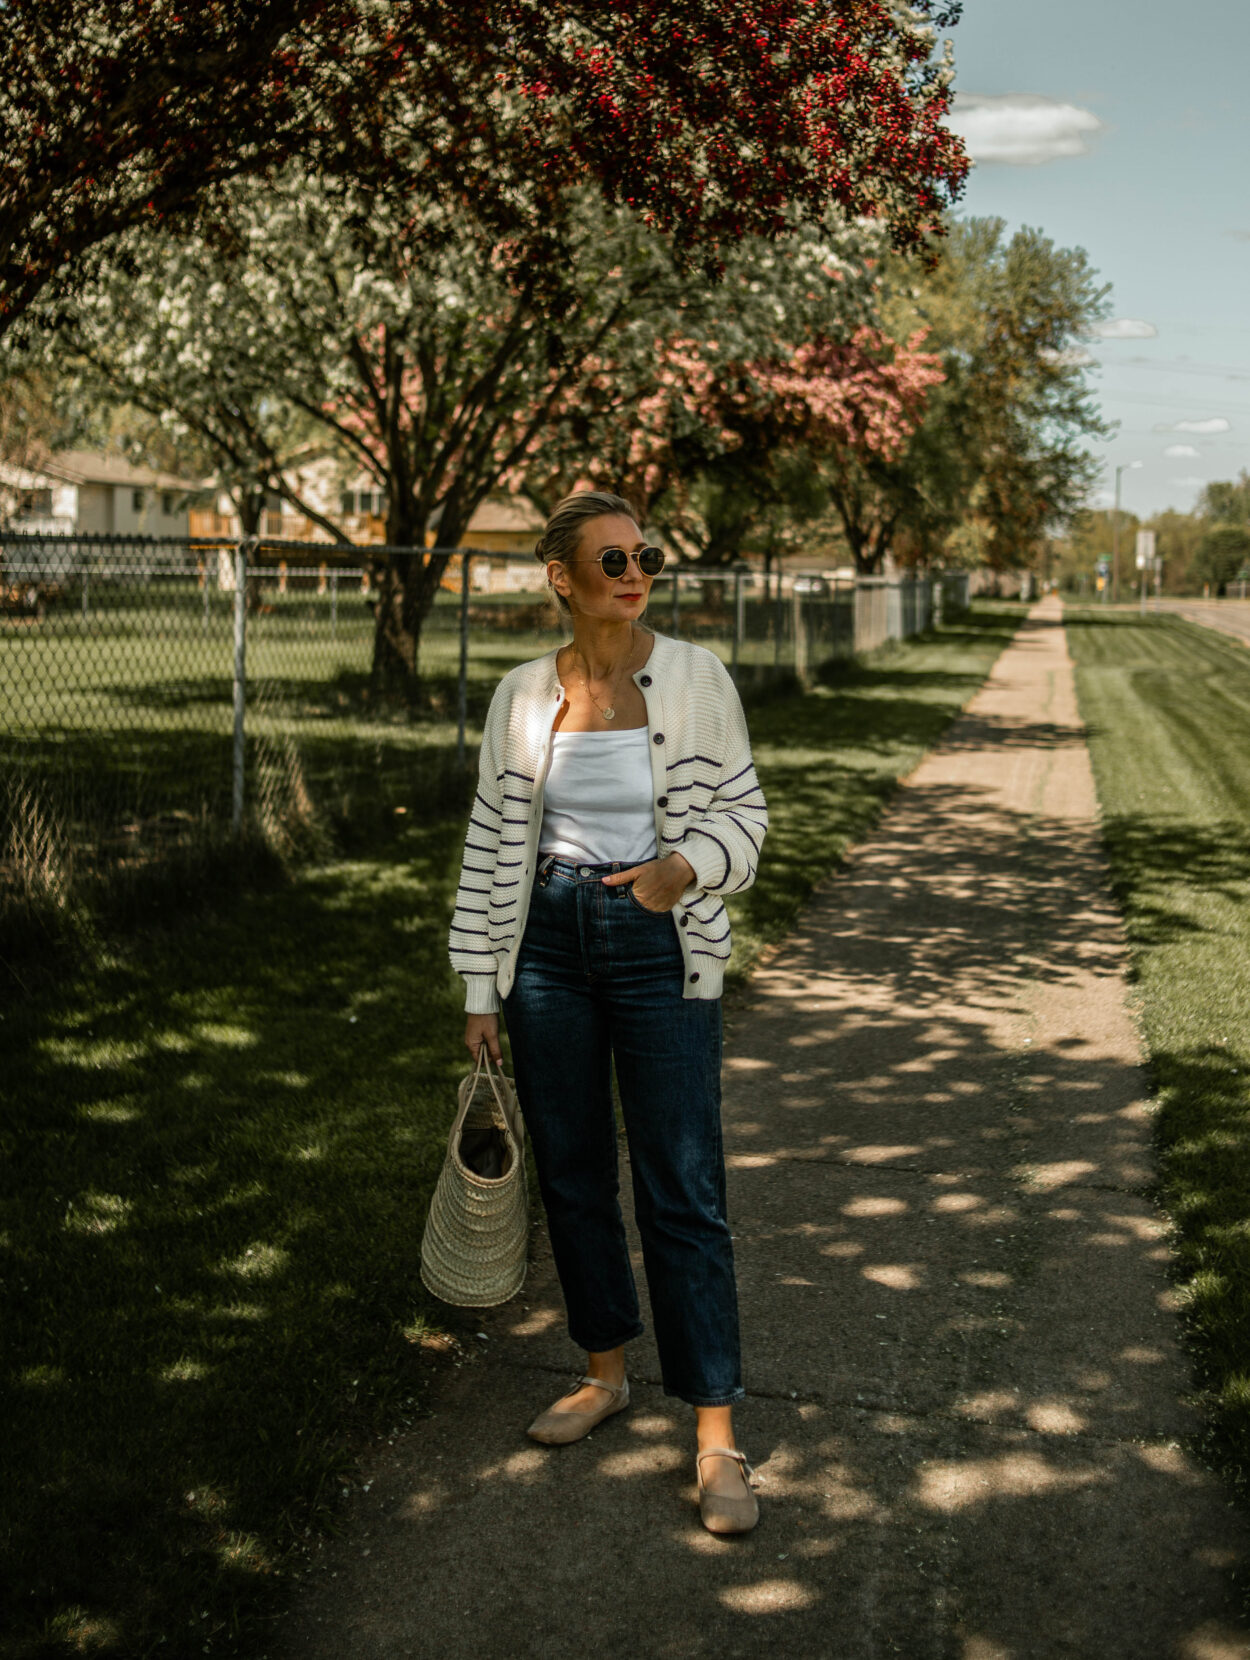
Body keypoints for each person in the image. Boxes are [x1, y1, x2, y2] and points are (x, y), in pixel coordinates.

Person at [448, 489, 768, 1535]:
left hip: (655, 938)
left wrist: (682, 869)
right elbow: (492, 840)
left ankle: (715, 1436)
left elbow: (746, 815)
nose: (634, 572)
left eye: (646, 554)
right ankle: (602, 1370)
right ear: (559, 577)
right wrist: (478, 985)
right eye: (611, 557)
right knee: (574, 1172)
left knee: (680, 1184)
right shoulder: (518, 695)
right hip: (542, 942)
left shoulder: (692, 677)